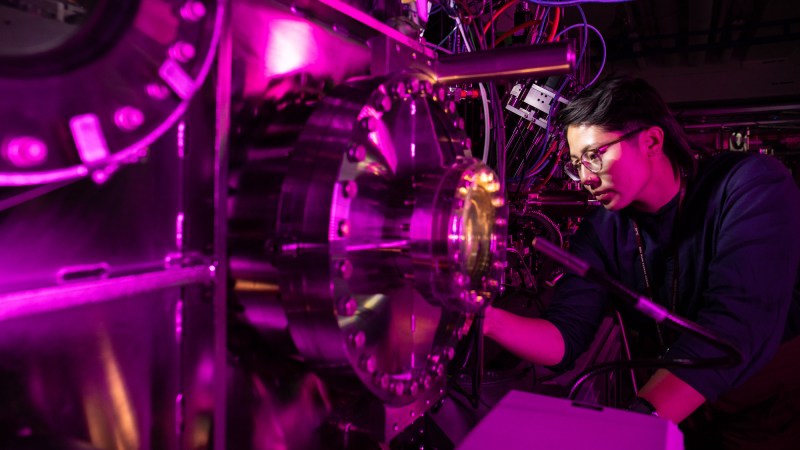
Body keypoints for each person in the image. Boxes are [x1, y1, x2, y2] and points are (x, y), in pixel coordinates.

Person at [484, 76, 800, 449]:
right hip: (675, 400)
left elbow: (737, 325)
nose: (585, 177)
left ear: (651, 141)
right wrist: (479, 318)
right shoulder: (601, 231)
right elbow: (565, 338)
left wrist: (638, 417)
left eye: (594, 155)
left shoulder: (748, 186)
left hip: (764, 402)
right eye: (575, 164)